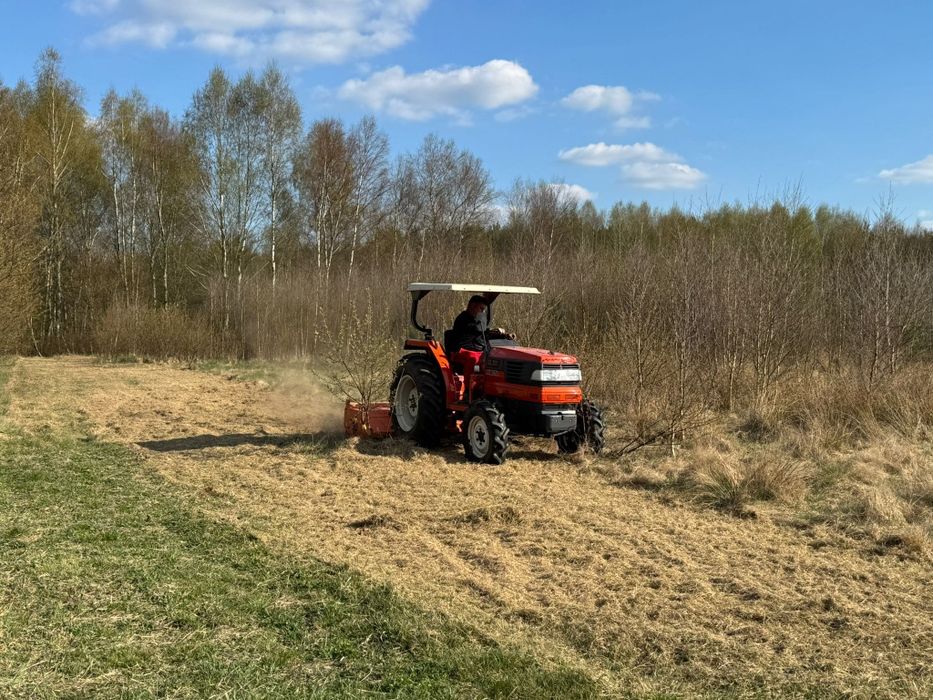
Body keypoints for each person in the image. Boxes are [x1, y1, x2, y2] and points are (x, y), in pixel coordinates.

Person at [447, 295, 514, 400]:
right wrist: (490, 330)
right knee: (474, 358)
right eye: (481, 309)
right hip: (461, 350)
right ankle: (469, 392)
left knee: (493, 358)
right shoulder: (463, 319)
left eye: (484, 310)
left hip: (477, 349)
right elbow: (476, 329)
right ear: (472, 306)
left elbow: (484, 333)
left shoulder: (478, 321)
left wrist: (502, 335)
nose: (482, 312)